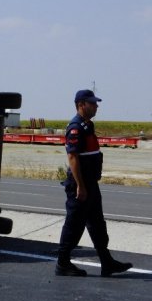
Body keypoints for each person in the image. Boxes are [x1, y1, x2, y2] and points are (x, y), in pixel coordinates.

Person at [56, 89, 133, 277]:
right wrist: (80, 186)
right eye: (92, 103)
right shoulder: (75, 127)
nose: (96, 106)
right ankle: (62, 263)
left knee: (98, 225)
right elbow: (72, 157)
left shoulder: (87, 126)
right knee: (74, 225)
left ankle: (107, 263)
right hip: (80, 185)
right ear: (81, 104)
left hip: (91, 184)